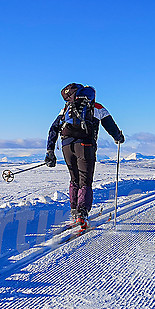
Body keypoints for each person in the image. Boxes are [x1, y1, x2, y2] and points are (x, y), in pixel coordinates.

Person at [45, 83, 124, 229]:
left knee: (74, 178)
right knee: (85, 180)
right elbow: (110, 126)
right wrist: (118, 137)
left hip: (66, 145)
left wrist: (50, 150)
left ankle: (75, 211)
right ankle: (82, 214)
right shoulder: (97, 107)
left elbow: (54, 128)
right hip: (85, 145)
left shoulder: (66, 108)